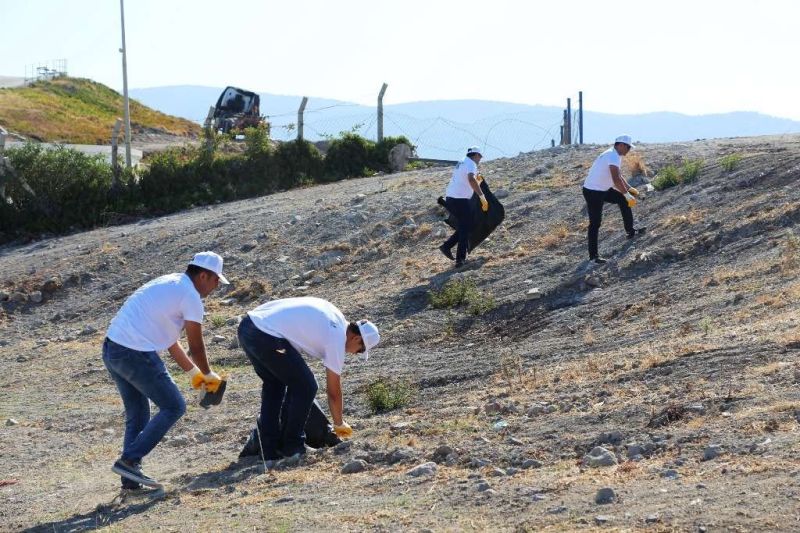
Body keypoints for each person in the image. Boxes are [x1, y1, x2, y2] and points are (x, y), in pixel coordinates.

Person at [103, 251, 228, 489]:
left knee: (138, 412)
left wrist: (195, 375)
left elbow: (171, 341)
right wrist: (209, 374)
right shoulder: (190, 297)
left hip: (113, 349)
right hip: (134, 353)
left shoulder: (170, 283)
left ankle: (130, 479)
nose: (216, 287)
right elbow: (196, 347)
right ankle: (129, 460)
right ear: (203, 275)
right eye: (215, 281)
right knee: (174, 406)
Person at [237, 297, 380, 463]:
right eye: (361, 350)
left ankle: (269, 450)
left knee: (275, 386)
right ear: (356, 339)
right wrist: (339, 424)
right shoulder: (337, 337)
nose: (356, 353)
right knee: (307, 386)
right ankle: (292, 446)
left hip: (248, 327)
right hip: (266, 334)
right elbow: (334, 392)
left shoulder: (335, 315)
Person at [582, 135, 646, 264]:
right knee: (595, 223)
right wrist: (627, 195)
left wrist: (629, 189)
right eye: (628, 147)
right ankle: (593, 257)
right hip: (593, 192)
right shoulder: (613, 156)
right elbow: (616, 179)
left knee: (622, 201)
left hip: (603, 189)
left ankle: (630, 231)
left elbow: (618, 176)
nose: (628, 150)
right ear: (620, 145)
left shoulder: (613, 154)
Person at [439, 146, 489, 268]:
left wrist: (477, 177)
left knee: (465, 226)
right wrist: (482, 197)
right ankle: (460, 260)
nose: (480, 159)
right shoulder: (471, 163)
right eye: (480, 156)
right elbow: (471, 180)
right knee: (466, 227)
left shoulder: (462, 162)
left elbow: (468, 178)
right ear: (476, 155)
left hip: (451, 198)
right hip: (459, 200)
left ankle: (447, 247)